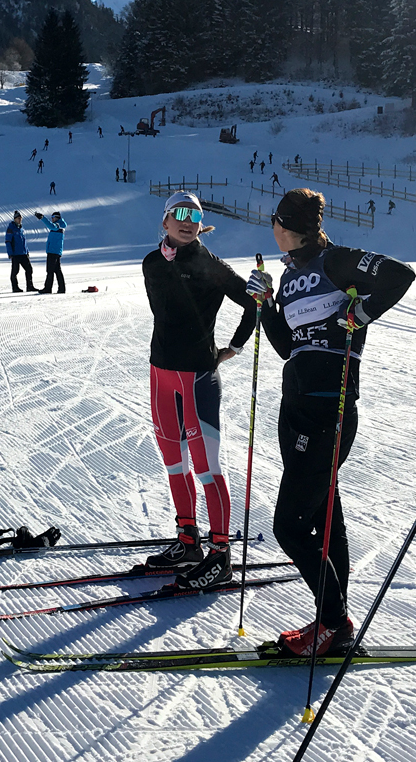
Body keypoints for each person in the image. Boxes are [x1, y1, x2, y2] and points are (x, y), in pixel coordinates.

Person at [247, 188, 415, 657]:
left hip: (329, 406)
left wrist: (360, 313)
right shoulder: (290, 277)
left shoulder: (335, 261)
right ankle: (333, 622)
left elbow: (401, 276)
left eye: (276, 223)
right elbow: (286, 345)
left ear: (287, 226)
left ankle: (336, 623)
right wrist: (265, 305)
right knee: (323, 514)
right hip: (296, 403)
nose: (273, 231)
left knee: (289, 526)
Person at [140, 192, 260, 589]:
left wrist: (235, 347)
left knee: (207, 469)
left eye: (196, 216)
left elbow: (253, 304)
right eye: (180, 214)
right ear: (165, 221)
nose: (188, 222)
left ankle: (220, 556)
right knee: (174, 463)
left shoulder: (209, 264)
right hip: (161, 375)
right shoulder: (152, 262)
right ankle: (189, 540)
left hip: (197, 379)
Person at [34, 210, 68, 294]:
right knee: (57, 270)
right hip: (55, 251)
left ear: (57, 218)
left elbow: (51, 226)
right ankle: (61, 289)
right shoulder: (60, 225)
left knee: (50, 270)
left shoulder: (59, 225)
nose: (52, 219)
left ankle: (48, 288)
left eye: (53, 217)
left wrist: (43, 218)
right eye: (51, 217)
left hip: (53, 251)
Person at [5, 211, 36, 292]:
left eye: (21, 218)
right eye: (18, 218)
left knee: (29, 269)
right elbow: (8, 241)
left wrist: (27, 251)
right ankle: (15, 287)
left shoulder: (21, 228)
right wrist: (10, 253)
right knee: (15, 271)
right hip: (15, 254)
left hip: (23, 253)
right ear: (15, 219)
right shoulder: (11, 228)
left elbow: (24, 241)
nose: (20, 220)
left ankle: (30, 286)